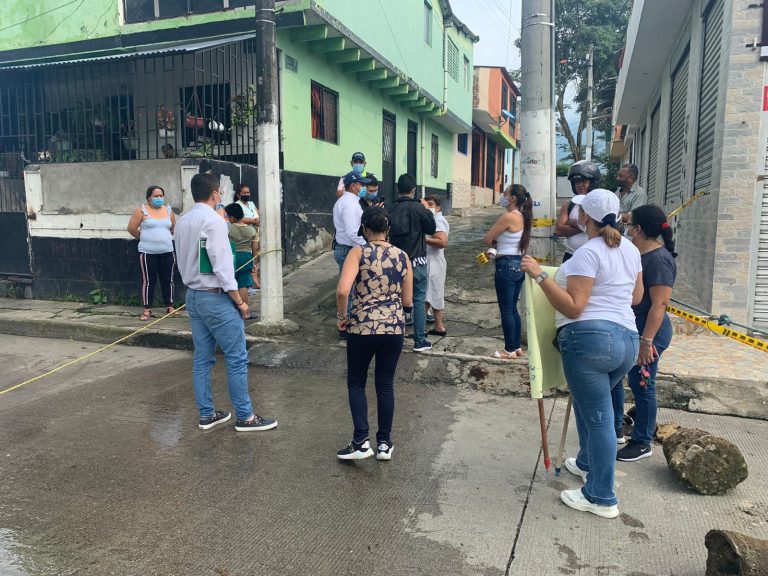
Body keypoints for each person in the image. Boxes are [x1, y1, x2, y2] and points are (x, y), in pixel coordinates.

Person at [521, 188, 642, 519]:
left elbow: (574, 308)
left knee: (599, 419)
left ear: (584, 217)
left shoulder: (587, 253)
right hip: (627, 341)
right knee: (594, 409)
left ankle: (601, 496)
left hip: (589, 340)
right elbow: (636, 297)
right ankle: (587, 463)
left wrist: (539, 277)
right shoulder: (630, 250)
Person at [174, 172, 277, 432]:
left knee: (202, 358)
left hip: (193, 296)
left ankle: (207, 414)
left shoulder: (183, 221)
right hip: (215, 297)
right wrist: (240, 302)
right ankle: (246, 417)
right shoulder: (215, 222)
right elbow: (221, 266)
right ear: (215, 194)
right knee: (236, 357)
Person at [335, 206, 413, 461]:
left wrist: (342, 318)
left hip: (362, 328)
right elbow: (408, 300)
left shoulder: (358, 252)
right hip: (393, 328)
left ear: (365, 229)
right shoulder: (403, 256)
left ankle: (360, 442)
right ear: (387, 229)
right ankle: (384, 445)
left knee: (356, 382)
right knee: (385, 384)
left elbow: (343, 291)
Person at [614, 204, 677, 462]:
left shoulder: (659, 260)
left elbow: (660, 305)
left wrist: (646, 342)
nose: (626, 229)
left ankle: (642, 442)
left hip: (651, 334)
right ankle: (622, 425)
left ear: (638, 229)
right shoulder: (639, 254)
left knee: (644, 386)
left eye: (629, 225)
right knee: (626, 378)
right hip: (636, 328)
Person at [483, 185, 533, 359]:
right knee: (512, 308)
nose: (502, 197)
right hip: (518, 263)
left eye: (505, 194)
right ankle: (516, 346)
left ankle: (509, 349)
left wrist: (495, 245)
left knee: (506, 309)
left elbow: (487, 238)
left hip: (506, 265)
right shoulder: (523, 216)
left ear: (512, 199)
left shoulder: (508, 217)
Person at [388, 173, 436, 352]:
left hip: (394, 262)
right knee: (418, 300)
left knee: (394, 299)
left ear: (397, 189)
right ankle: (419, 340)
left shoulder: (389, 208)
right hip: (417, 262)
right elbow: (431, 228)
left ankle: (394, 339)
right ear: (414, 190)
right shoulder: (419, 208)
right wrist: (427, 210)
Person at [127, 185, 178, 321]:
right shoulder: (141, 211)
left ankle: (170, 306)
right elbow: (131, 228)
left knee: (168, 280)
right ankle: (147, 309)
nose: (159, 198)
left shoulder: (168, 211)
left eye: (161, 196)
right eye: (156, 196)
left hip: (167, 251)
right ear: (148, 197)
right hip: (147, 252)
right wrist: (144, 237)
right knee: (149, 281)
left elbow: (173, 228)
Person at [333, 171, 371, 334]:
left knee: (353, 288)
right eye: (361, 184)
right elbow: (352, 232)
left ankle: (349, 323)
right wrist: (368, 245)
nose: (363, 187)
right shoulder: (349, 203)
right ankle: (347, 327)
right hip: (349, 249)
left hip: (347, 248)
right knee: (348, 289)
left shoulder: (349, 201)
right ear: (353, 185)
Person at [556, 161, 602, 262]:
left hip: (593, 256)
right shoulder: (569, 203)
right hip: (571, 255)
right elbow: (559, 230)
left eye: (583, 181)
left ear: (593, 182)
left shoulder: (600, 203)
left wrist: (571, 222)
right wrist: (585, 226)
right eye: (577, 182)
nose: (580, 185)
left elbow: (602, 229)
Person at [225, 202, 258, 318]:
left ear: (232, 217)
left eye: (228, 216)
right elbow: (255, 248)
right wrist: (254, 262)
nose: (227, 218)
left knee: (231, 282)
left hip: (232, 256)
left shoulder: (228, 227)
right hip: (246, 257)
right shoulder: (251, 230)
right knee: (243, 284)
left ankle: (233, 310)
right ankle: (245, 313)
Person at [424, 196, 449, 337]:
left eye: (431, 204)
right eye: (425, 204)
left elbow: (442, 241)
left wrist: (422, 239)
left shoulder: (437, 220)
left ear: (438, 208)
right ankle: (439, 327)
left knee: (425, 297)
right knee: (434, 294)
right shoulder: (433, 220)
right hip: (433, 261)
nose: (427, 206)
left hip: (433, 262)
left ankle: (420, 332)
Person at [234, 184, 260, 293]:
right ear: (238, 195)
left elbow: (257, 214)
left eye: (248, 192)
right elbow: (236, 219)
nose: (246, 195)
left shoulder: (251, 204)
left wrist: (257, 220)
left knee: (255, 254)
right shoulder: (237, 205)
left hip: (254, 232)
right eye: (244, 193)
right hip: (243, 233)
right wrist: (251, 220)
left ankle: (255, 280)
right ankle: (250, 281)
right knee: (247, 255)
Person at [615, 163, 648, 231]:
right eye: (618, 175)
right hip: (614, 232)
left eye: (621, 176)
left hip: (628, 236)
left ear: (630, 179)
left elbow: (632, 217)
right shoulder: (617, 192)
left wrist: (612, 215)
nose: (617, 178)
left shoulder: (640, 194)